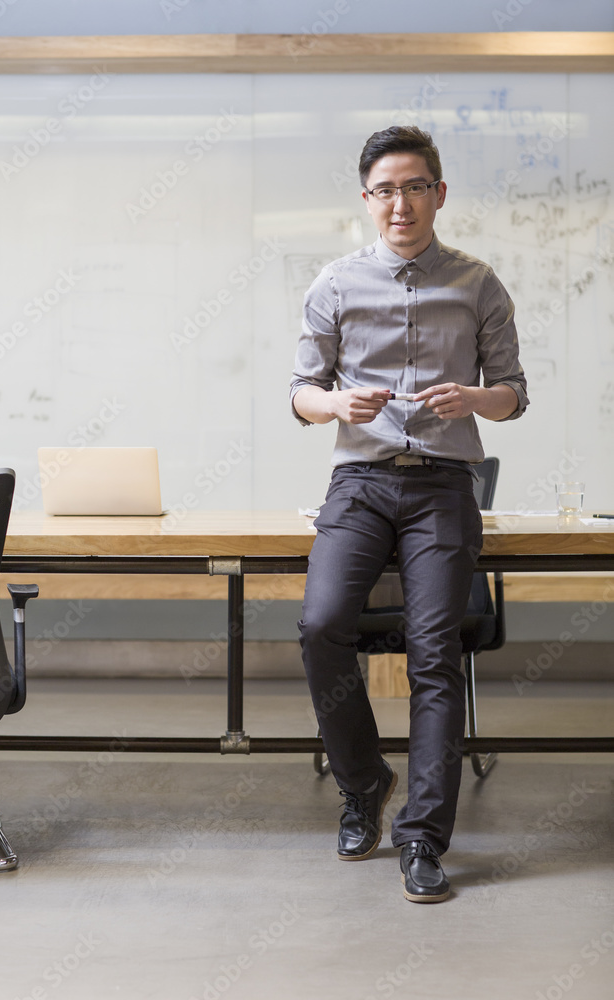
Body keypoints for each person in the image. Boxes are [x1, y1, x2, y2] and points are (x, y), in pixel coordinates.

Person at [290, 125, 528, 903]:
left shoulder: (476, 282)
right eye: (385, 189)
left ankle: (422, 841)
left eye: (414, 186)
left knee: (433, 653)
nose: (400, 202)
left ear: (438, 193)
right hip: (358, 481)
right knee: (322, 626)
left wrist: (473, 397)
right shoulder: (333, 282)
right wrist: (334, 402)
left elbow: (514, 394)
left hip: (442, 485)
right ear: (367, 199)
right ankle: (363, 784)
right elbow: (300, 393)